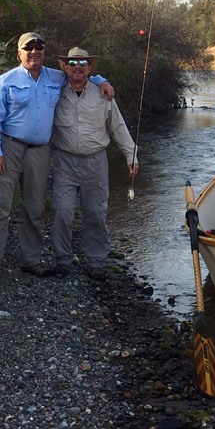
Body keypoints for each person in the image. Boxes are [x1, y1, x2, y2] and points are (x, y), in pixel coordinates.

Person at [0, 33, 115, 284]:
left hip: (40, 151)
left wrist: (101, 79)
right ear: (19, 53)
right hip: (9, 148)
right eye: (27, 48)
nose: (34, 51)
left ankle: (31, 260)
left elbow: (80, 74)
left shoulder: (56, 77)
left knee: (34, 207)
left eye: (38, 47)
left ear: (44, 52)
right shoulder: (4, 81)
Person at [50, 46, 139, 281]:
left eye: (82, 63)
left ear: (89, 68)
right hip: (65, 161)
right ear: (64, 67)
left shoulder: (103, 94)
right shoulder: (54, 92)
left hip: (96, 161)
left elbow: (118, 127)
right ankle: (63, 259)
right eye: (72, 63)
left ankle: (97, 260)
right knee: (62, 211)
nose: (77, 68)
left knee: (95, 213)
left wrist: (131, 156)